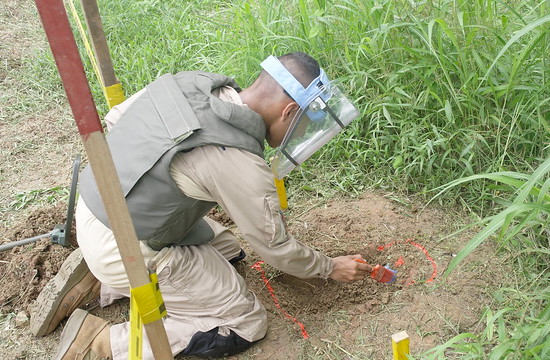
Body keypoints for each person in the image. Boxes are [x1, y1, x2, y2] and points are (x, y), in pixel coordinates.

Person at [29, 52, 373, 360]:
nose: (295, 138)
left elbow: (117, 118)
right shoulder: (238, 161)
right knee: (244, 321)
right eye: (299, 128)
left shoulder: (194, 82)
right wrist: (329, 267)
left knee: (229, 250)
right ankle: (100, 342)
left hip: (94, 204)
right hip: (121, 245)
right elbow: (276, 248)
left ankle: (101, 276)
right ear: (290, 111)